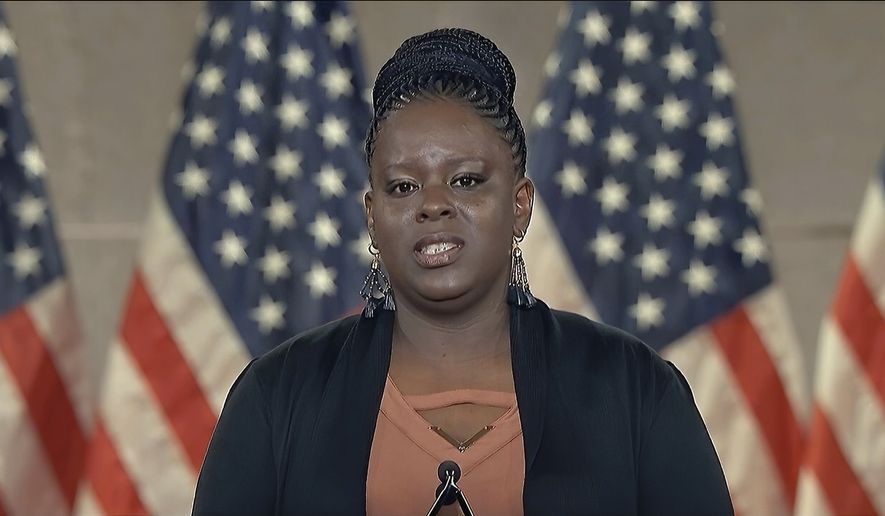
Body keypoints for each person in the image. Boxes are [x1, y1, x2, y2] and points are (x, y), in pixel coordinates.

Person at [192, 28, 734, 516]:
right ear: (372, 216)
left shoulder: (634, 389)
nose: (433, 205)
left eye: (467, 180)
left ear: (520, 205)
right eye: (403, 186)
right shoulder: (276, 397)